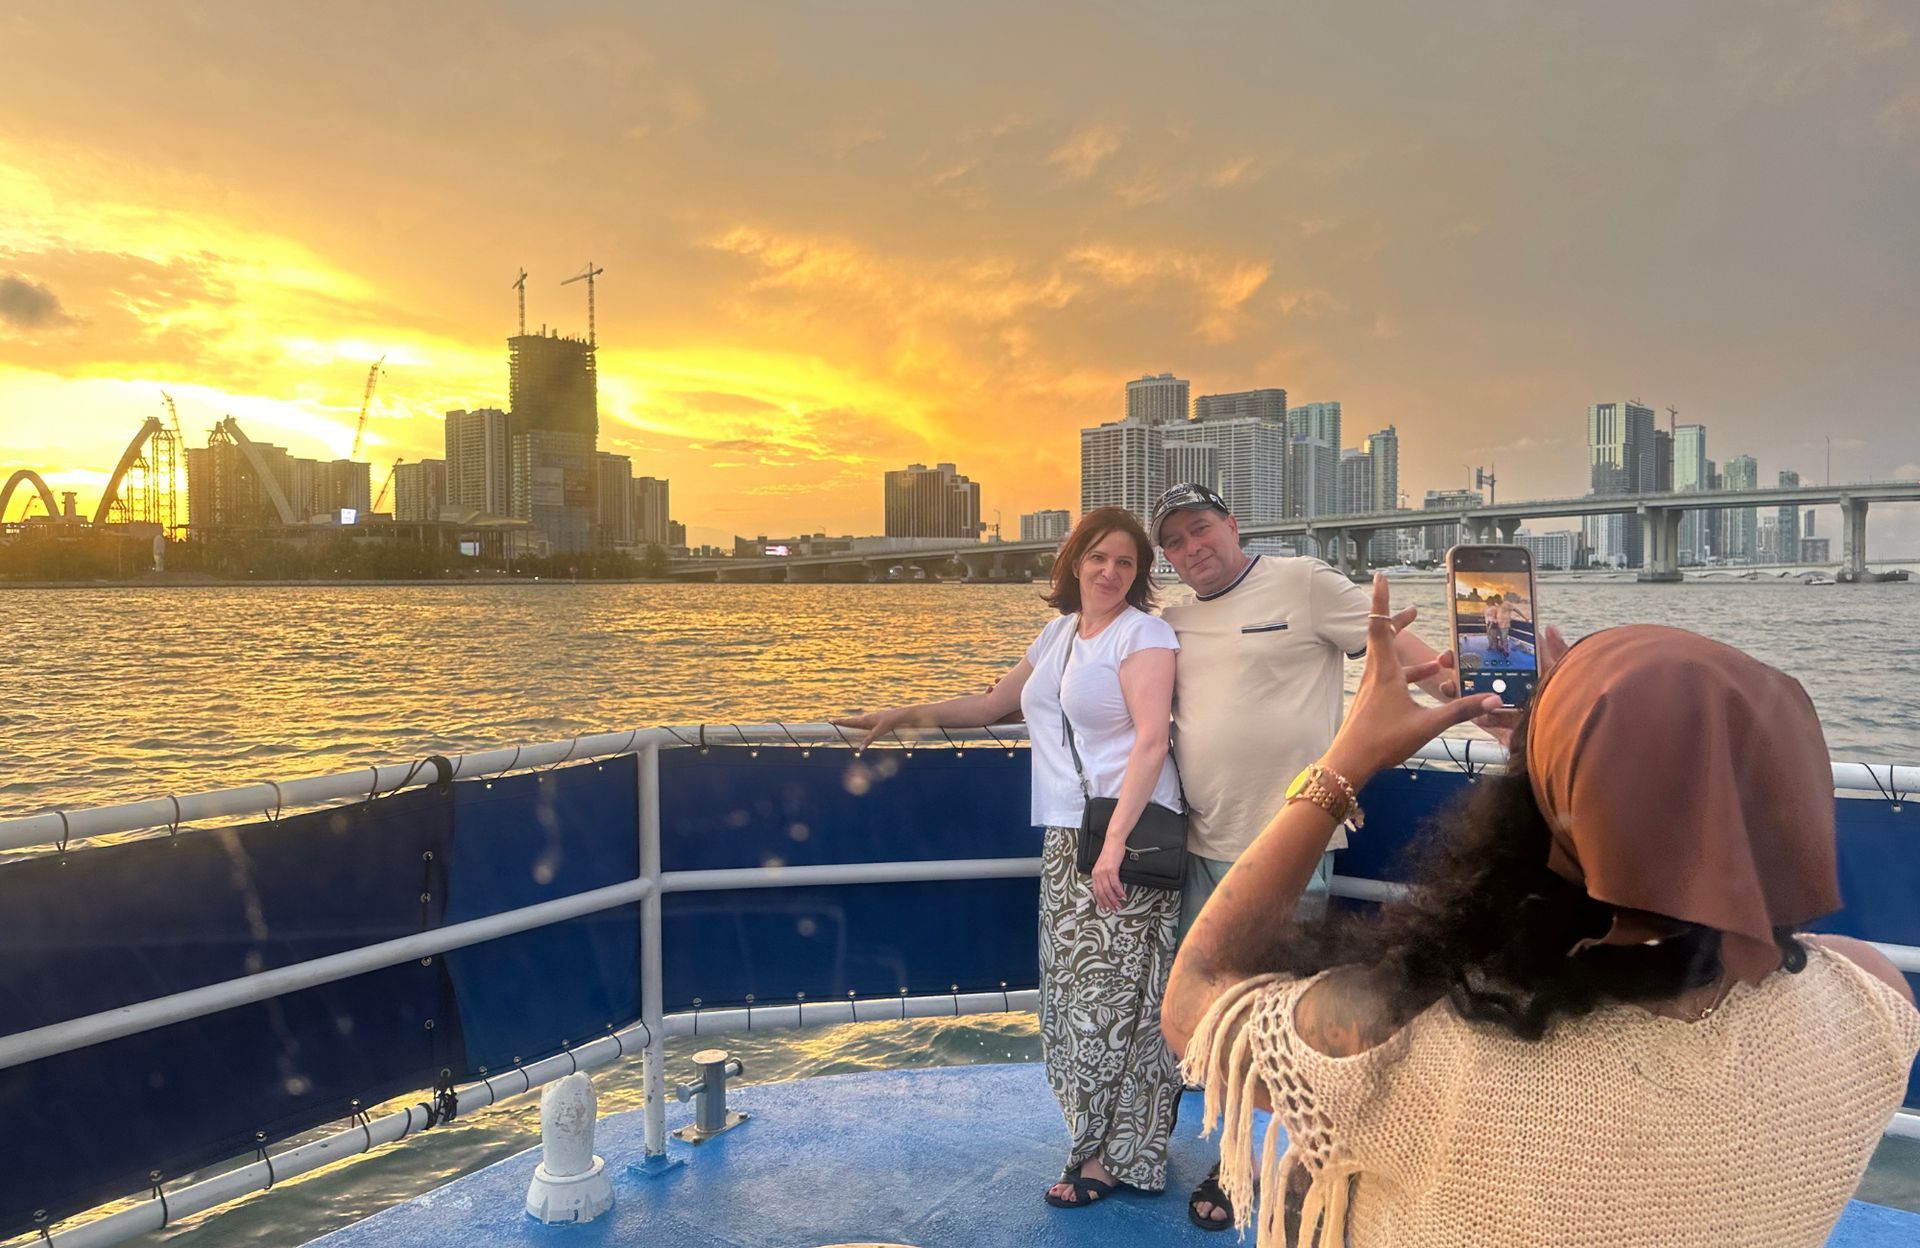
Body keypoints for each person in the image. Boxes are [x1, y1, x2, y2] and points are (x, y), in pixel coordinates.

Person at [1164, 576, 1920, 1248]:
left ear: (1534, 819)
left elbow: (1197, 993)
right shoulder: (1876, 1004)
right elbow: (1734, 901)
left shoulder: (1419, 1050)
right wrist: (1574, 758)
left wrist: (1347, 760)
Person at [833, 505, 1187, 1209]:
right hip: (1067, 837)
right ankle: (1091, 1143)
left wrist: (1113, 845)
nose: (1111, 572)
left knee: (1123, 1004)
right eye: (1099, 558)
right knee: (1073, 1002)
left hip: (1124, 839)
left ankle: (1126, 1156)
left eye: (1126, 561)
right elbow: (995, 703)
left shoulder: (1144, 634)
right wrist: (901, 716)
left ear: (1140, 572)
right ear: (1074, 563)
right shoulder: (1058, 636)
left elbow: (1152, 740)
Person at [1149, 481, 1454, 1231]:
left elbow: (1410, 662)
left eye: (1201, 531)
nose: (1193, 551)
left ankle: (1270, 1171)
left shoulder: (1304, 584)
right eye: (1176, 544)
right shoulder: (1172, 616)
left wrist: (1491, 696)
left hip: (1290, 841)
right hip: (1200, 843)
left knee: (1280, 1020)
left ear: (1233, 521)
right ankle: (1233, 1158)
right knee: (1214, 1024)